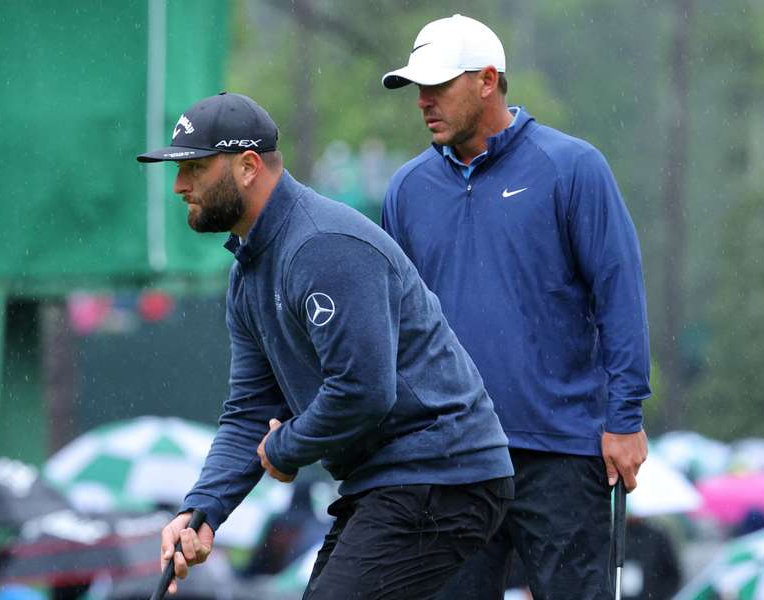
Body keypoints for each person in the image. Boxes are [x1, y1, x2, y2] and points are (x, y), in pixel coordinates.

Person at [136, 92, 514, 599]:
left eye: (196, 169)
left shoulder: (320, 246)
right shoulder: (248, 273)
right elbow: (250, 409)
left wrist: (285, 447)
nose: (180, 185)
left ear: (248, 167)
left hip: (442, 474)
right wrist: (200, 510)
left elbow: (363, 390)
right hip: (391, 481)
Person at [380, 14, 651, 599]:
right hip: (450, 457)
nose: (424, 101)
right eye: (417, 88)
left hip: (559, 452)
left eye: (438, 85)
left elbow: (619, 297)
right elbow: (393, 325)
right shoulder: (406, 190)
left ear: (486, 79)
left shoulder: (572, 168)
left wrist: (625, 417)